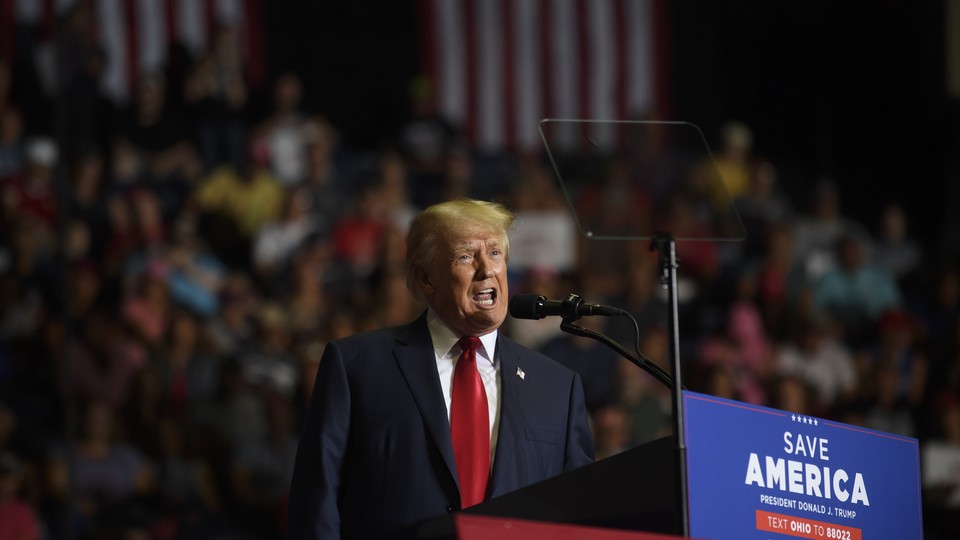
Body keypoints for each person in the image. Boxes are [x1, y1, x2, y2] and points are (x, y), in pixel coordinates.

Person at [287, 199, 594, 539]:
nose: (486, 269)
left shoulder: (558, 387)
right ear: (424, 278)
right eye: (466, 256)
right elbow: (316, 503)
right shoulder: (356, 367)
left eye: (495, 253)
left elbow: (578, 512)